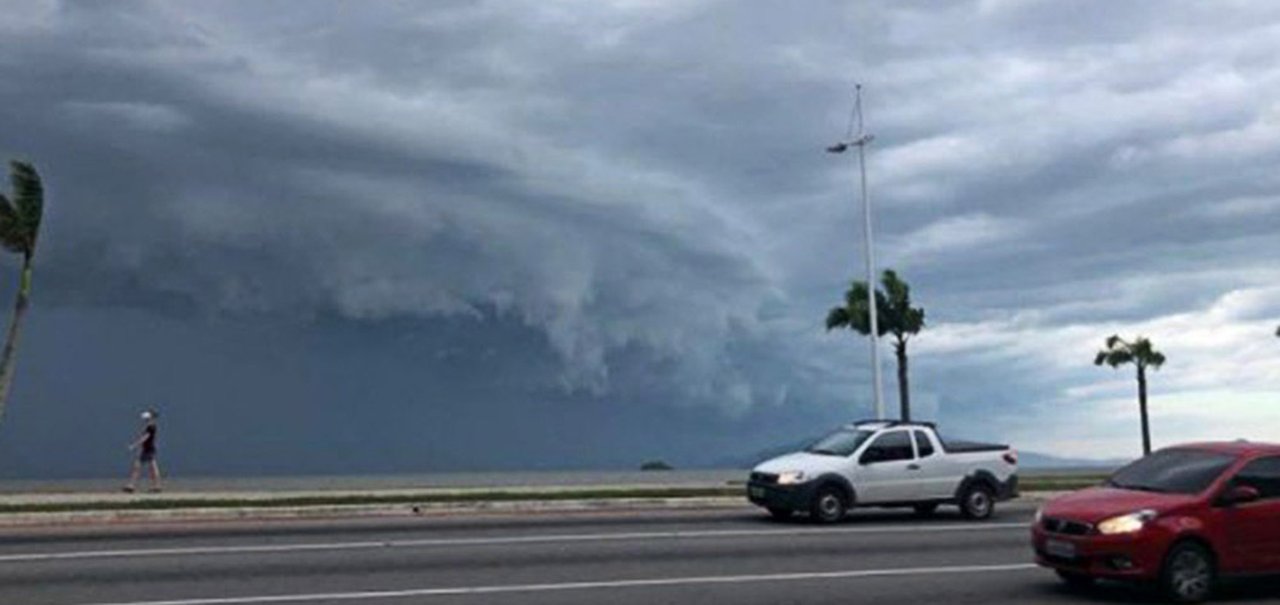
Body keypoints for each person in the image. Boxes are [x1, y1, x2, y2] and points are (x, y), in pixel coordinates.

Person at [124, 409, 163, 493]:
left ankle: (132, 485)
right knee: (142, 467)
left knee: (147, 467)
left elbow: (145, 438)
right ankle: (132, 485)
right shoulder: (150, 426)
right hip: (147, 449)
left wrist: (134, 445)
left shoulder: (151, 427)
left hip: (148, 449)